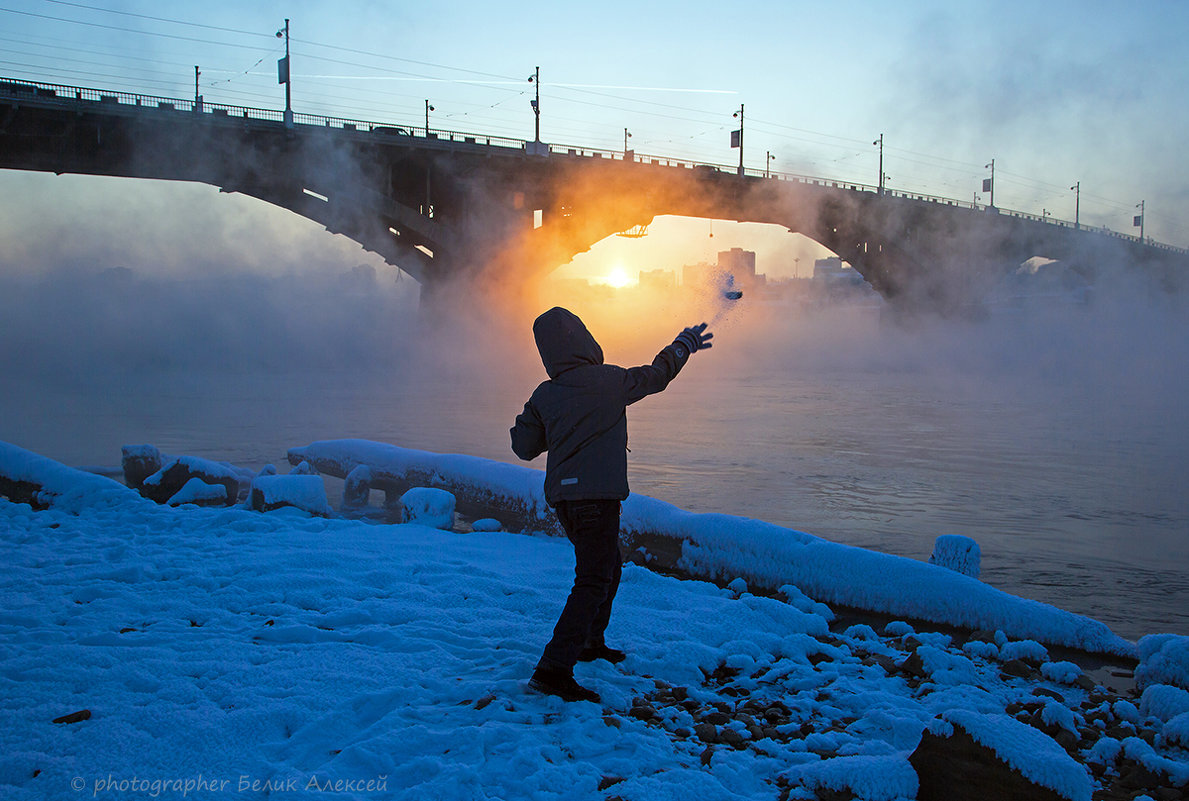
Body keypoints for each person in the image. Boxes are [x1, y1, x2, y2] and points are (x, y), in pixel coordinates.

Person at [510, 307, 714, 703]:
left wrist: (555, 420)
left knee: (606, 567)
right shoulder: (610, 381)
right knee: (593, 579)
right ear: (584, 339)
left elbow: (523, 447)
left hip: (565, 501)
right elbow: (658, 375)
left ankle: (590, 641)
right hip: (596, 499)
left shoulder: (544, 394)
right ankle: (552, 670)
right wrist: (684, 343)